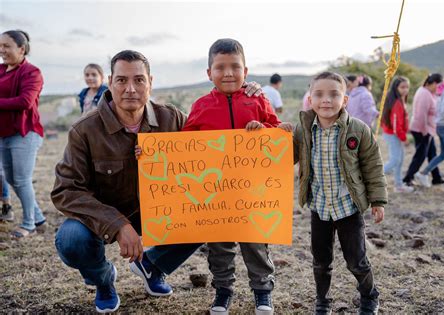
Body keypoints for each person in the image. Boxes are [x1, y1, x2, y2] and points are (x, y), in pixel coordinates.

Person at [52, 49, 262, 313]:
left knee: (210, 212)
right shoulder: (84, 130)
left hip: (159, 212)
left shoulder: (171, 118)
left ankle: (152, 266)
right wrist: (117, 225)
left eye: (139, 80)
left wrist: (245, 94)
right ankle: (104, 280)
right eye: (122, 80)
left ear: (150, 81)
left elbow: (214, 148)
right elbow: (66, 191)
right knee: (71, 239)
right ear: (110, 82)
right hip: (104, 216)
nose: (130, 88)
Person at [182, 38, 280, 315]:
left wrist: (262, 129)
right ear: (209, 73)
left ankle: (263, 291)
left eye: (235, 67)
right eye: (220, 67)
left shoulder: (257, 100)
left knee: (256, 244)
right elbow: (183, 147)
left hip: (252, 191)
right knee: (219, 247)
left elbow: (276, 133)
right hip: (216, 195)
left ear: (245, 71)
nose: (228, 73)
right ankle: (222, 291)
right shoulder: (201, 106)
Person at [289, 71, 387, 314]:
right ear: (310, 100)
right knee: (321, 262)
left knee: (356, 261)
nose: (326, 100)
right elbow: (284, 158)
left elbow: (372, 165)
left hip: (348, 208)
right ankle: (323, 301)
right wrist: (278, 134)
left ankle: (369, 296)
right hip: (319, 209)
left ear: (345, 100)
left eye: (334, 94)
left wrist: (377, 200)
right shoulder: (303, 131)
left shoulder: (358, 130)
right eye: (319, 94)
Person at [0, 30, 46, 236]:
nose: (2, 50)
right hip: (3, 133)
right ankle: (38, 217)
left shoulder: (32, 72)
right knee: (11, 178)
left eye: (6, 46)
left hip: (25, 133)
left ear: (21, 49)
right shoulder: (1, 70)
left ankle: (29, 224)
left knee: (22, 179)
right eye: (0, 46)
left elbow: (25, 101)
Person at [403, 74, 444, 186]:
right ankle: (408, 178)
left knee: (432, 153)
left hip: (427, 129)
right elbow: (421, 115)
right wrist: (425, 131)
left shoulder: (429, 92)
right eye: (439, 85)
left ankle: (436, 177)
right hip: (422, 130)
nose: (439, 88)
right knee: (420, 155)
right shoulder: (424, 94)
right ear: (434, 83)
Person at [381, 76, 414, 193]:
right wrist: (404, 138)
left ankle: (399, 186)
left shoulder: (400, 100)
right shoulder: (396, 103)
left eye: (407, 87)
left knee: (400, 160)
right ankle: (370, 178)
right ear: (396, 88)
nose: (405, 90)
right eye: (402, 87)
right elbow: (396, 125)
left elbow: (400, 121)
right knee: (395, 160)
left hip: (394, 134)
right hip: (393, 135)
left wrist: (407, 130)